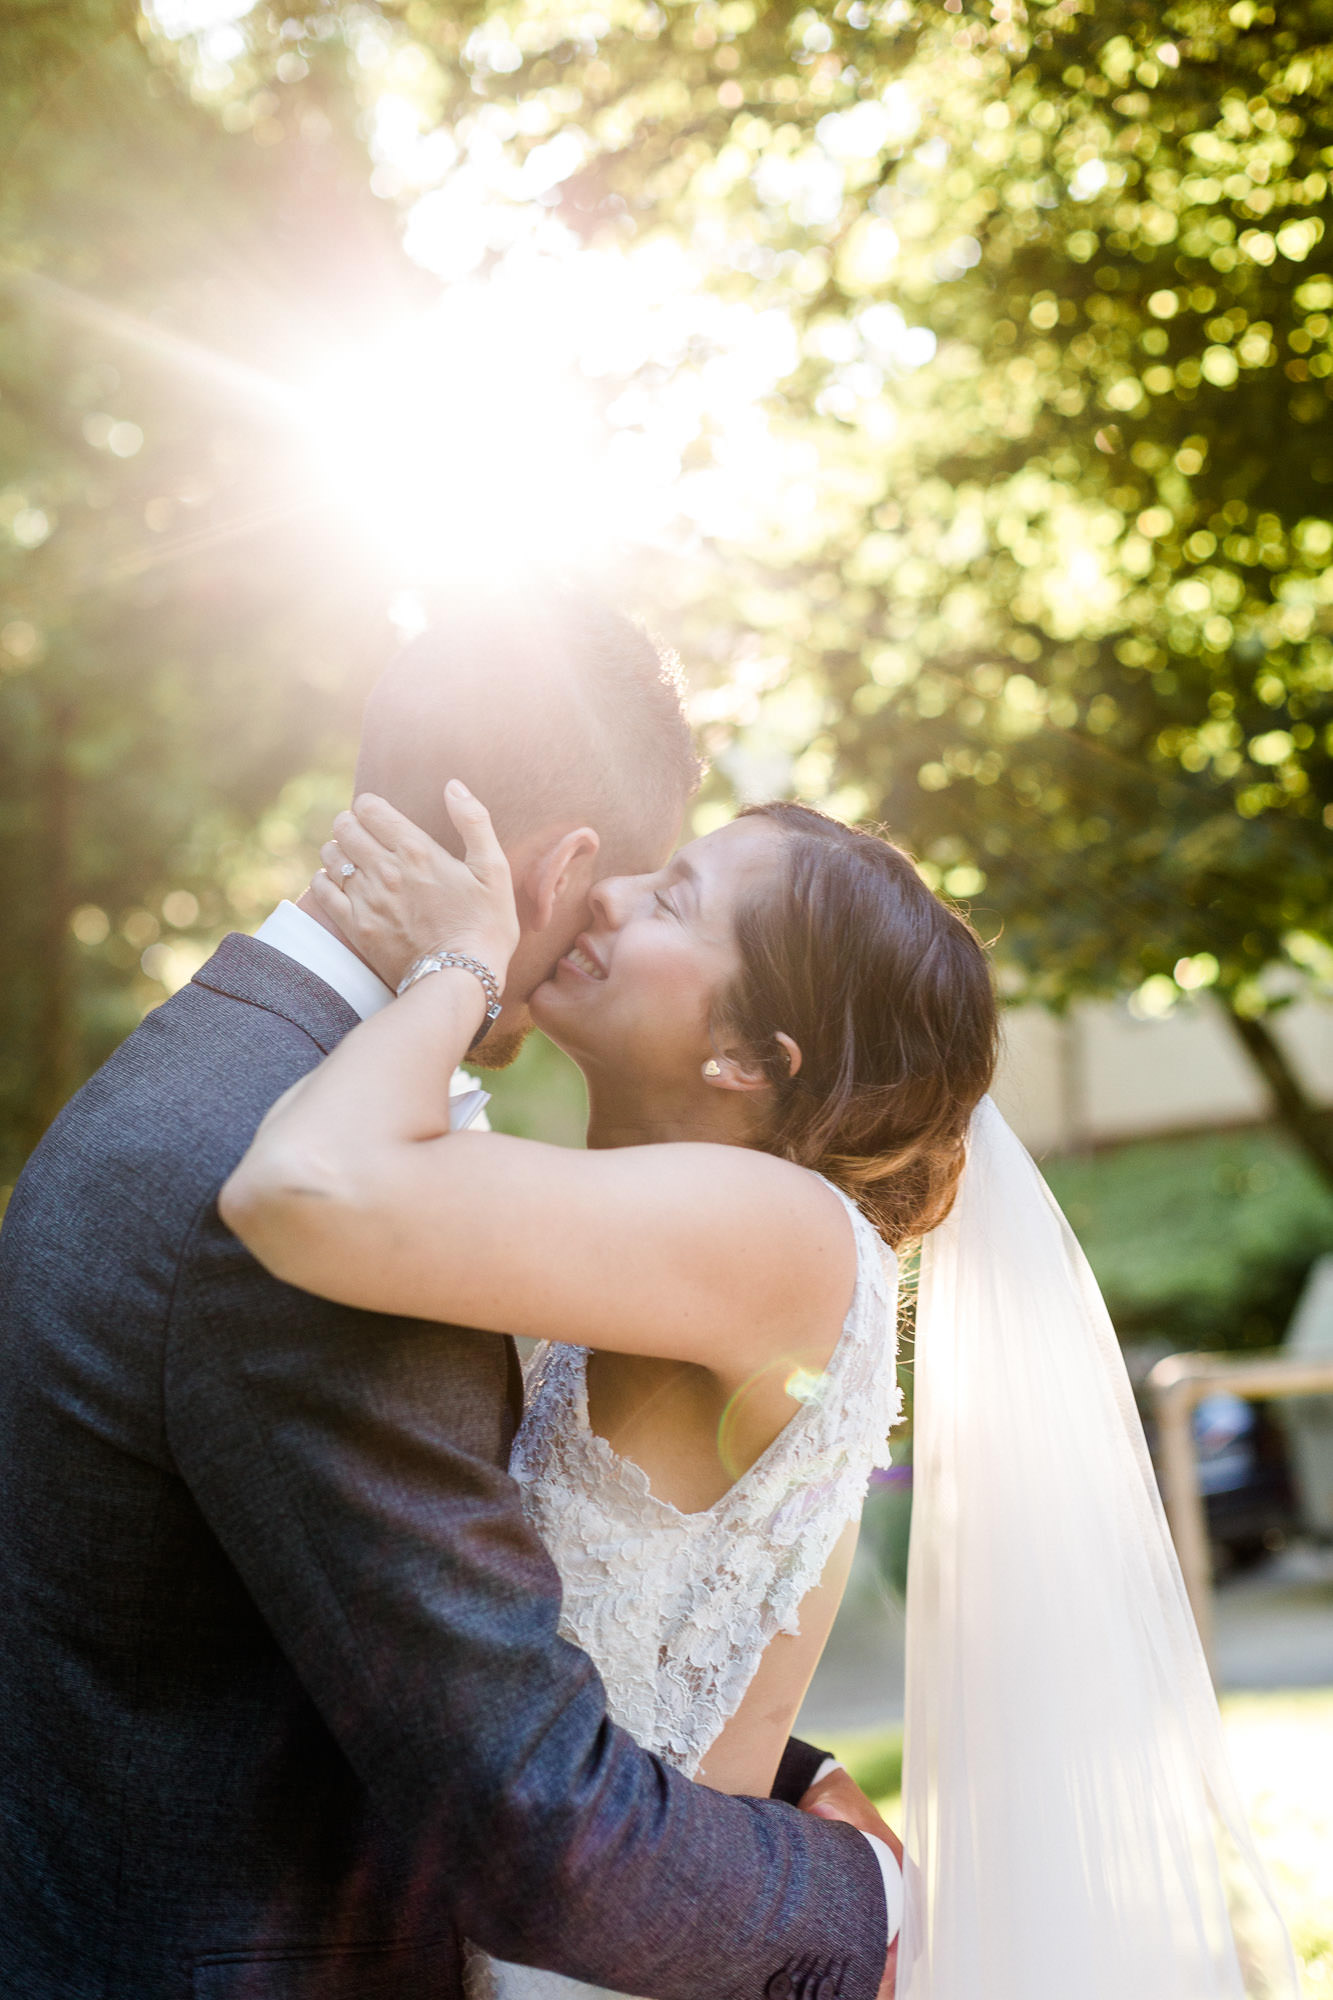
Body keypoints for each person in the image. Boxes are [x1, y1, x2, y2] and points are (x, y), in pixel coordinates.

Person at [225, 776, 1301, 2000]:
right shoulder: (673, 1234)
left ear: (747, 1056)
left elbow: (300, 1187)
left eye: (673, 897)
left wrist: (462, 965)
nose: (614, 891)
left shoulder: (782, 1229)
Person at [0, 593, 897, 2000]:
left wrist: (766, 1760)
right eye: (640, 884)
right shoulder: (309, 1199)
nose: (611, 926)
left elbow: (421, 1614)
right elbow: (523, 1816)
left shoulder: (195, 1074)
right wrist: (861, 1900)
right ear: (569, 867)